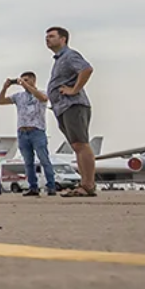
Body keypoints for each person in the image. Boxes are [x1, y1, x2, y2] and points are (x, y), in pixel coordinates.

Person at [45, 26, 96, 198]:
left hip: (73, 105)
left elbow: (86, 69)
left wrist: (74, 89)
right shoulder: (59, 60)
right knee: (76, 146)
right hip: (62, 108)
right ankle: (84, 184)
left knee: (81, 144)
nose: (47, 39)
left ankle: (88, 185)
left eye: (52, 36)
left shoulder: (69, 55)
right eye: (47, 37)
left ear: (63, 39)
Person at [0, 72, 56, 196]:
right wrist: (5, 87)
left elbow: (44, 99)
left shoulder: (42, 93)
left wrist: (27, 85)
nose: (23, 82)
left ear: (33, 80)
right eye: (22, 80)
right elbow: (0, 101)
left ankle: (51, 186)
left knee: (44, 159)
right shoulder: (19, 96)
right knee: (28, 162)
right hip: (22, 132)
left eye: (27, 80)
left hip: (37, 130)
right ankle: (33, 187)